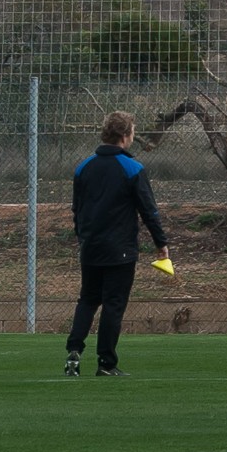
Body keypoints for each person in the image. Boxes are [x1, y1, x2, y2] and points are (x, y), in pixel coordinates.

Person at [65, 111, 169, 379]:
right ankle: (106, 363)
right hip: (120, 249)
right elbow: (149, 211)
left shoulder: (83, 167)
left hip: (90, 246)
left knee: (88, 299)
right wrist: (161, 243)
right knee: (113, 303)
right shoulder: (132, 168)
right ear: (125, 136)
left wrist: (83, 236)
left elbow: (77, 209)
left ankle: (74, 352)